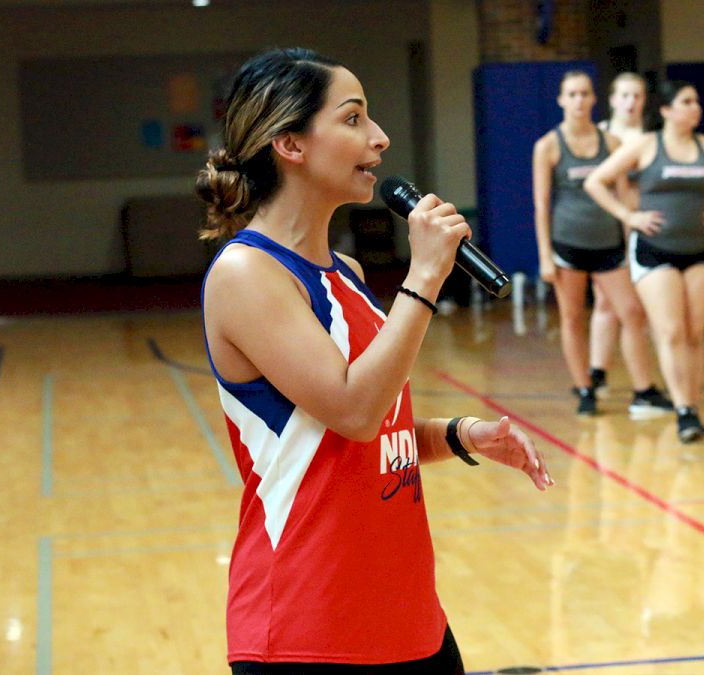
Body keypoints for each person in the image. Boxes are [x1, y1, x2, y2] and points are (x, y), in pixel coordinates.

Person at [196, 48, 553, 674]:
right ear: (291, 144)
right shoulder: (246, 273)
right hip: (309, 628)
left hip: (408, 615)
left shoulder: (349, 275)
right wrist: (425, 275)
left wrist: (461, 436)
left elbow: (365, 438)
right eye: (354, 118)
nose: (380, 138)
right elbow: (356, 410)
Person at [585, 80, 704, 442]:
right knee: (671, 331)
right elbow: (597, 181)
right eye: (687, 101)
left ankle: (692, 405)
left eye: (696, 101)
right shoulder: (646, 146)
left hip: (701, 251)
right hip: (654, 251)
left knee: (694, 333)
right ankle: (682, 410)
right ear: (665, 110)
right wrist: (628, 216)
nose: (696, 107)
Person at [532, 71, 672, 417]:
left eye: (585, 94)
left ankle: (643, 389)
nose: (579, 100)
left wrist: (629, 246)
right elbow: (541, 204)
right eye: (572, 94)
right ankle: (584, 389)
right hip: (568, 246)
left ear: (595, 99)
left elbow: (624, 197)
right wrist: (546, 257)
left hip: (609, 245)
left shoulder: (611, 144)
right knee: (572, 317)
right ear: (562, 100)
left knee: (632, 312)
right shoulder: (548, 145)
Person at [587, 72, 648, 396]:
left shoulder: (651, 138)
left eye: (637, 95)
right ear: (611, 99)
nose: (630, 102)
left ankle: (643, 377)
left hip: (643, 225)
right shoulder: (601, 137)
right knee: (606, 301)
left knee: (639, 305)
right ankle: (598, 370)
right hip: (609, 227)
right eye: (624, 95)